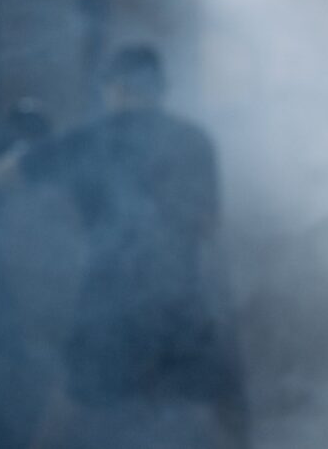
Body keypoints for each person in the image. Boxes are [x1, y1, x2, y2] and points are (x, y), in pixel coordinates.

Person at [13, 44, 248, 449]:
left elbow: (5, 176)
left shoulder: (92, 139)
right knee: (216, 408)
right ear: (160, 88)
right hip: (180, 293)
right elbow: (210, 229)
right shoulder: (195, 141)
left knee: (65, 408)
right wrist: (222, 303)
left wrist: (21, 149)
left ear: (116, 87)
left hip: (108, 299)